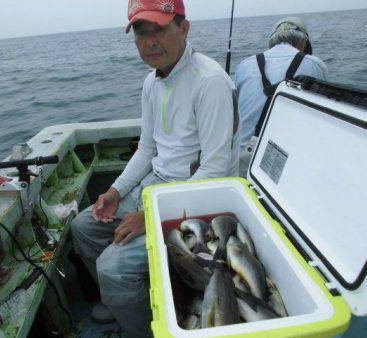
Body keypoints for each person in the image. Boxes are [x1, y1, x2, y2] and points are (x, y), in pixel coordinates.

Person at [71, 0, 240, 337]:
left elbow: (216, 169)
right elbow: (147, 148)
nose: (149, 42)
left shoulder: (210, 82)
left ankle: (144, 328)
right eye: (140, 33)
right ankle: (120, 298)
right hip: (156, 185)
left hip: (197, 197)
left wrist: (152, 215)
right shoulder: (152, 82)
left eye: (159, 29)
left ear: (184, 28)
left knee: (112, 266)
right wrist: (116, 191)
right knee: (83, 227)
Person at [235, 17, 327, 177]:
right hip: (291, 162)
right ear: (304, 41)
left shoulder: (245, 65)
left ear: (272, 42)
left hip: (243, 159)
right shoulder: (315, 65)